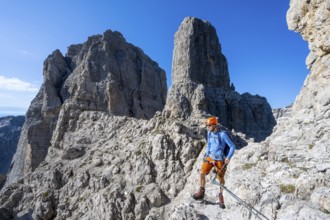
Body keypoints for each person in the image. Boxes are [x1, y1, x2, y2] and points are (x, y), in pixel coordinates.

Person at [192, 116, 236, 208]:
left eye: (209, 125)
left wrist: (228, 157)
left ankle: (221, 197)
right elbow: (209, 144)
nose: (207, 127)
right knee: (202, 174)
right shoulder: (209, 133)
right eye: (207, 125)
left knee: (220, 179)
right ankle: (201, 192)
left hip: (220, 159)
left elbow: (232, 146)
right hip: (210, 157)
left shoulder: (223, 135)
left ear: (214, 125)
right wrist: (207, 154)